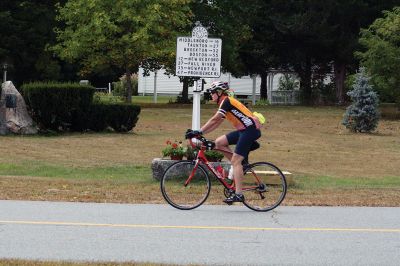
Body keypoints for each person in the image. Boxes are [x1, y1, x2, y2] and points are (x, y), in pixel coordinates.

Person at [186, 81, 262, 204]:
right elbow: (217, 122)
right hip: (244, 131)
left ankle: (239, 194)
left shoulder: (226, 101)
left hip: (250, 131)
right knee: (219, 142)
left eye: (212, 92)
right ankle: (239, 164)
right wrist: (201, 133)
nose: (211, 94)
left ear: (219, 92)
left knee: (236, 161)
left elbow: (215, 119)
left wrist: (198, 131)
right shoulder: (225, 103)